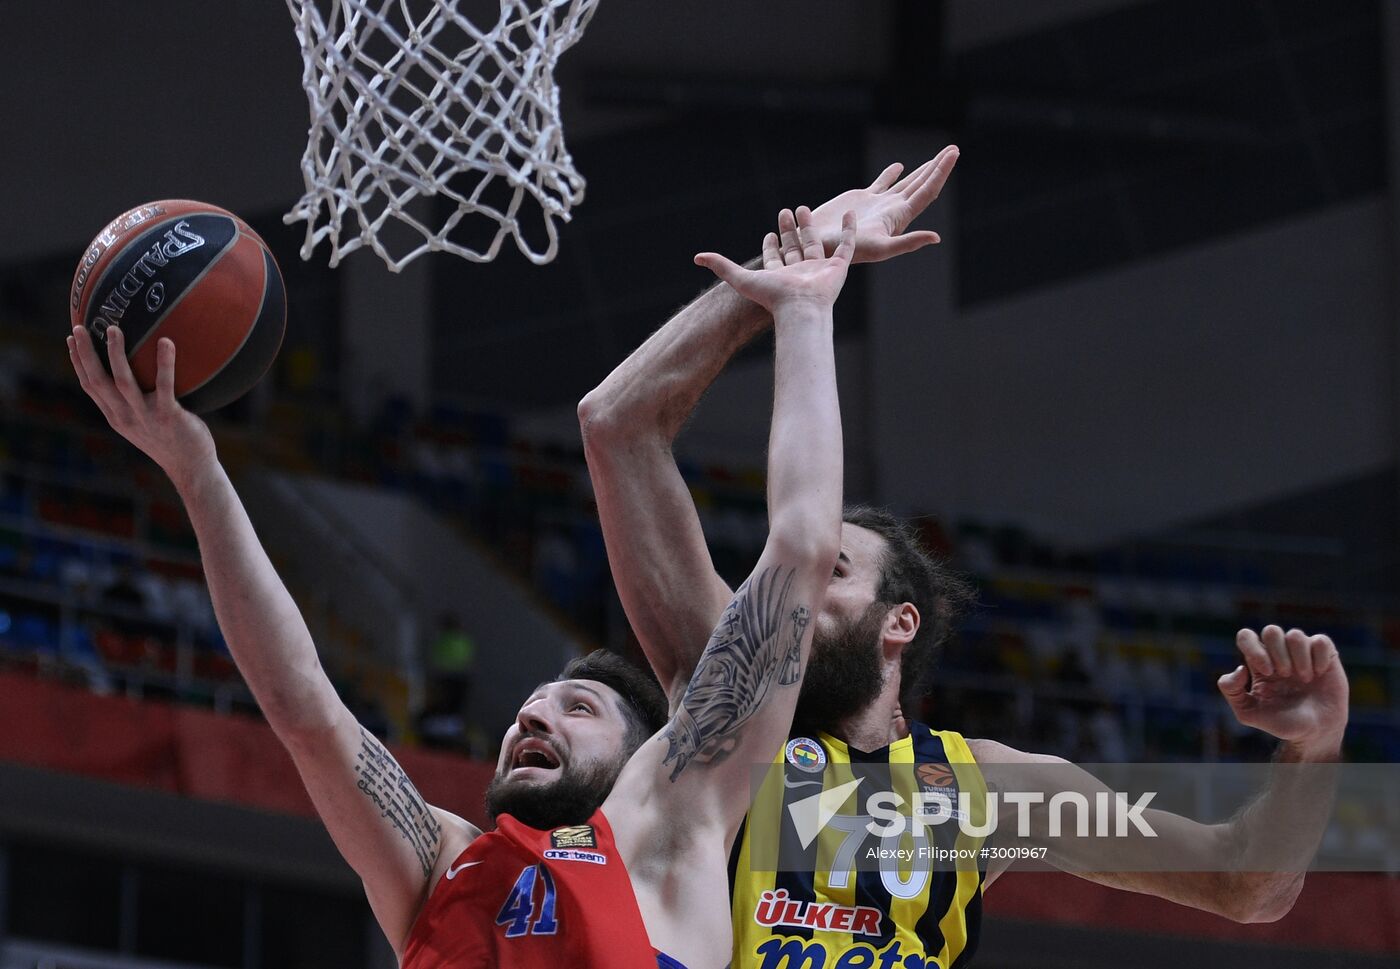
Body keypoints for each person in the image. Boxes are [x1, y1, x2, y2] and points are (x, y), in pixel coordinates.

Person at [577, 148, 1351, 968]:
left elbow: (1246, 883)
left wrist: (1315, 745)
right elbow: (618, 426)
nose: (793, 588)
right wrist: (791, 269)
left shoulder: (992, 791)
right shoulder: (728, 699)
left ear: (898, 621)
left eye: (829, 572)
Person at [66, 205, 860, 969]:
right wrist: (196, 470)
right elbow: (303, 706)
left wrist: (804, 313)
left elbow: (799, 546)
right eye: (536, 705)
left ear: (642, 757)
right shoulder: (441, 862)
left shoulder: (672, 825)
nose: (532, 713)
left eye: (578, 708)